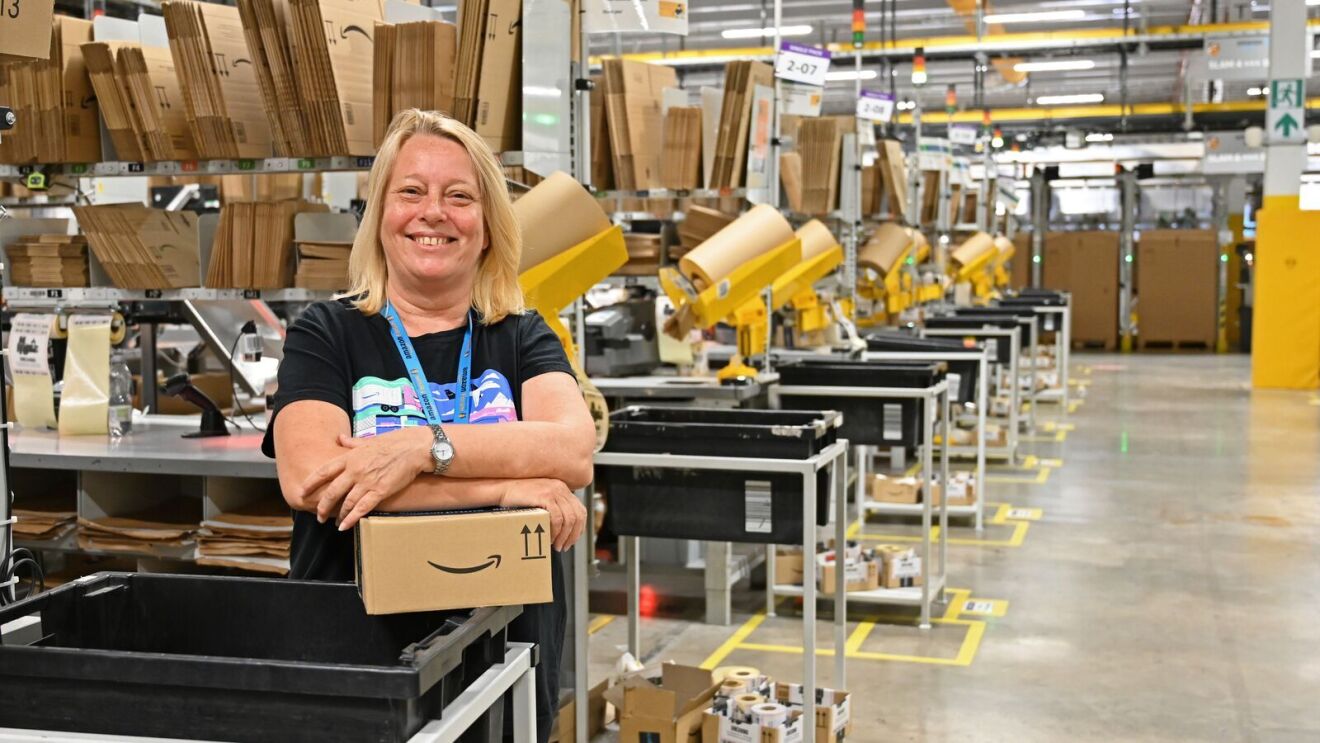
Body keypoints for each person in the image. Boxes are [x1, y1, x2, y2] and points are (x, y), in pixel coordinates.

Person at [262, 109, 593, 742]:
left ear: (489, 226)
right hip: (357, 655)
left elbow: (572, 451)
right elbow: (314, 481)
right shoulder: (326, 333)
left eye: (459, 196)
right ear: (380, 216)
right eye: (410, 191)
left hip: (506, 655)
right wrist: (503, 487)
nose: (433, 212)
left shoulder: (522, 335)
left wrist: (420, 447)